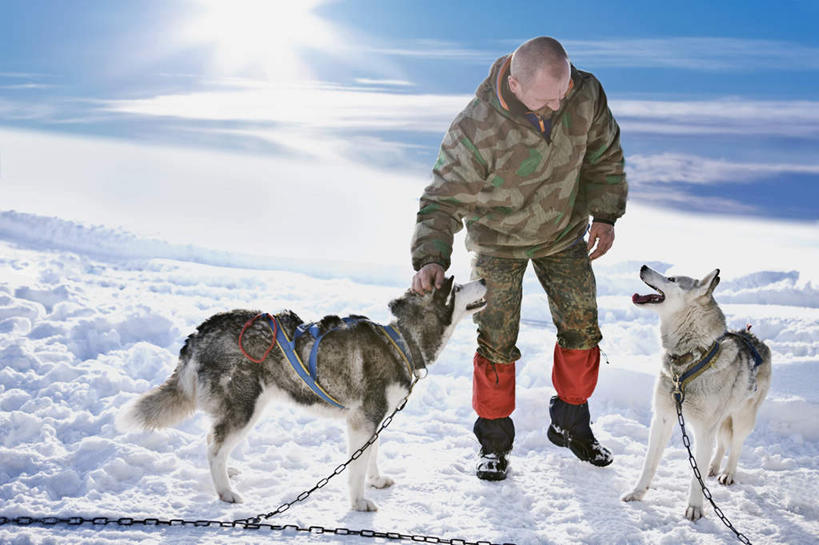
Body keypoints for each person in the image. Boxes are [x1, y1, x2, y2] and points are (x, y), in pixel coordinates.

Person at [409, 37, 627, 480]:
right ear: (513, 82)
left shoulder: (584, 94)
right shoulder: (476, 126)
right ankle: (493, 442)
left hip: (564, 232)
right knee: (496, 339)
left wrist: (605, 215)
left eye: (562, 91)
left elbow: (604, 156)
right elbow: (443, 198)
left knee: (582, 327)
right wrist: (430, 257)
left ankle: (571, 424)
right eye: (546, 97)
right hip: (497, 243)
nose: (557, 102)